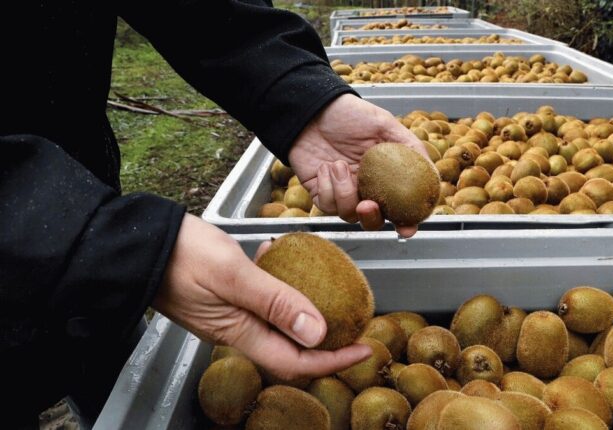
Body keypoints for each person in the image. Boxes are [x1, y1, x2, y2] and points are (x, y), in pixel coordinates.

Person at [1, 0, 426, 426]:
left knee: (118, 389)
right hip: (69, 239)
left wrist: (300, 94)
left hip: (90, 233)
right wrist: (97, 242)